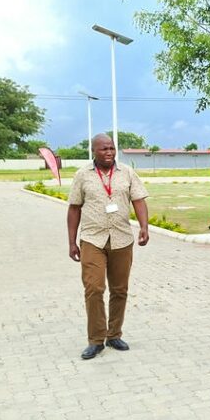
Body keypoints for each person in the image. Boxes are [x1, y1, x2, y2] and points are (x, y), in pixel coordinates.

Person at [67, 134, 150, 360]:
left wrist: (144, 227)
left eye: (112, 148)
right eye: (104, 149)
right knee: (94, 288)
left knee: (119, 289)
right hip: (92, 239)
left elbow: (139, 200)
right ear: (93, 151)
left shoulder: (127, 172)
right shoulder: (82, 175)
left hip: (122, 239)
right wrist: (72, 242)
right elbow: (74, 208)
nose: (109, 152)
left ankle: (114, 334)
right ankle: (96, 340)